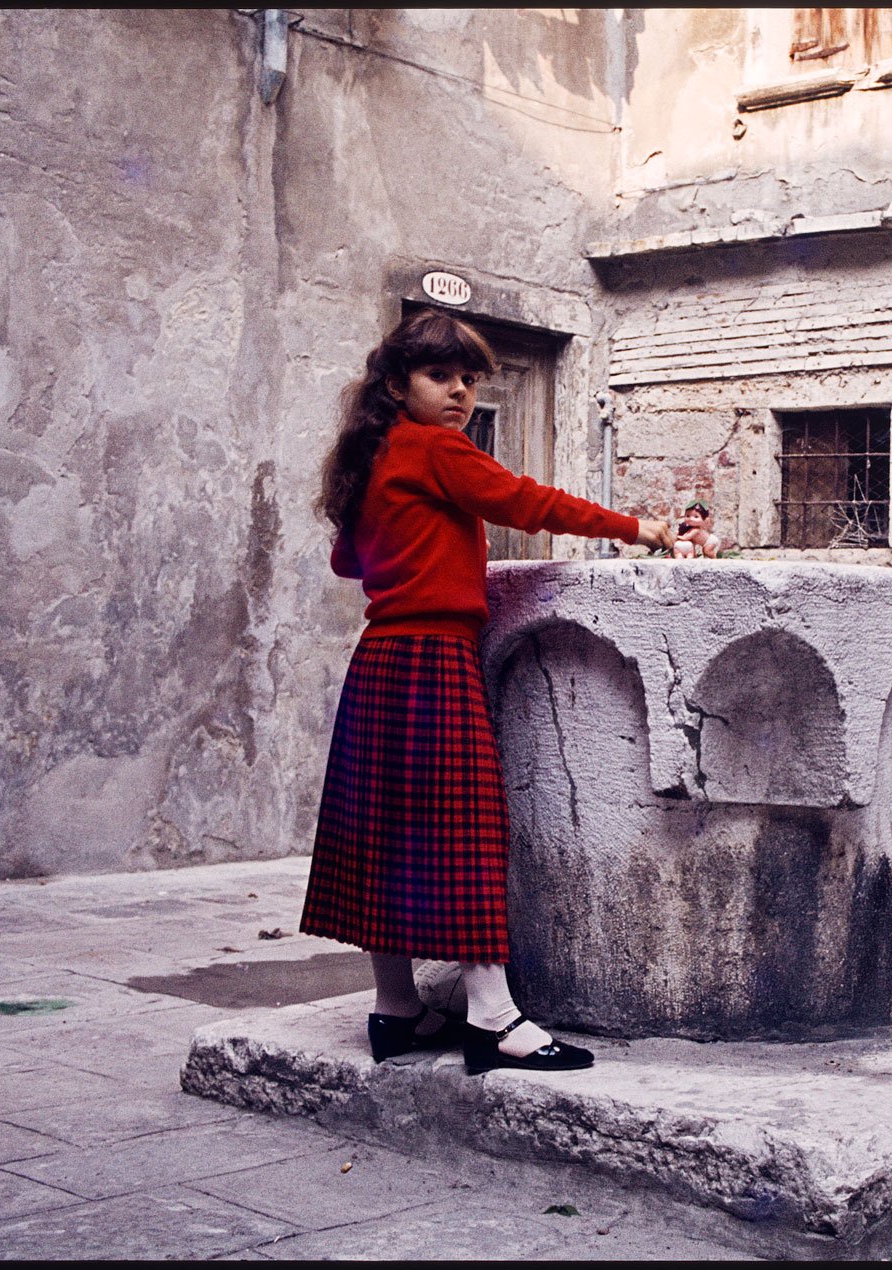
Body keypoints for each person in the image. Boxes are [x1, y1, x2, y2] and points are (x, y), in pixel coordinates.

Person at [301, 307, 673, 1073]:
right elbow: (525, 503)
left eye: (470, 379)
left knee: (384, 835)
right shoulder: (436, 449)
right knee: (463, 831)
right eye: (441, 376)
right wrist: (642, 530)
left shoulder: (373, 457)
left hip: (380, 660)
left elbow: (348, 563)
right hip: (435, 658)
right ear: (398, 383)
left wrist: (419, 545)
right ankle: (494, 1021)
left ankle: (396, 1009)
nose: (461, 392)